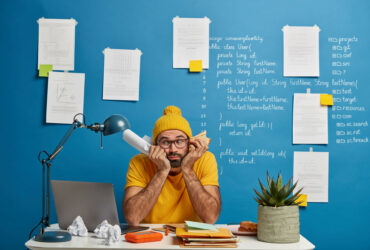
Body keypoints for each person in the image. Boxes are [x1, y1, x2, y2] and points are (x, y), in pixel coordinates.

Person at [123, 106, 221, 225]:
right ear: (155, 145)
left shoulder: (205, 159)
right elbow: (132, 218)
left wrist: (188, 169)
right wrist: (162, 171)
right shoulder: (139, 162)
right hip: (151, 236)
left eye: (179, 141)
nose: (172, 149)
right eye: (165, 142)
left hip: (190, 236)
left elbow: (210, 217)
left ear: (189, 144)